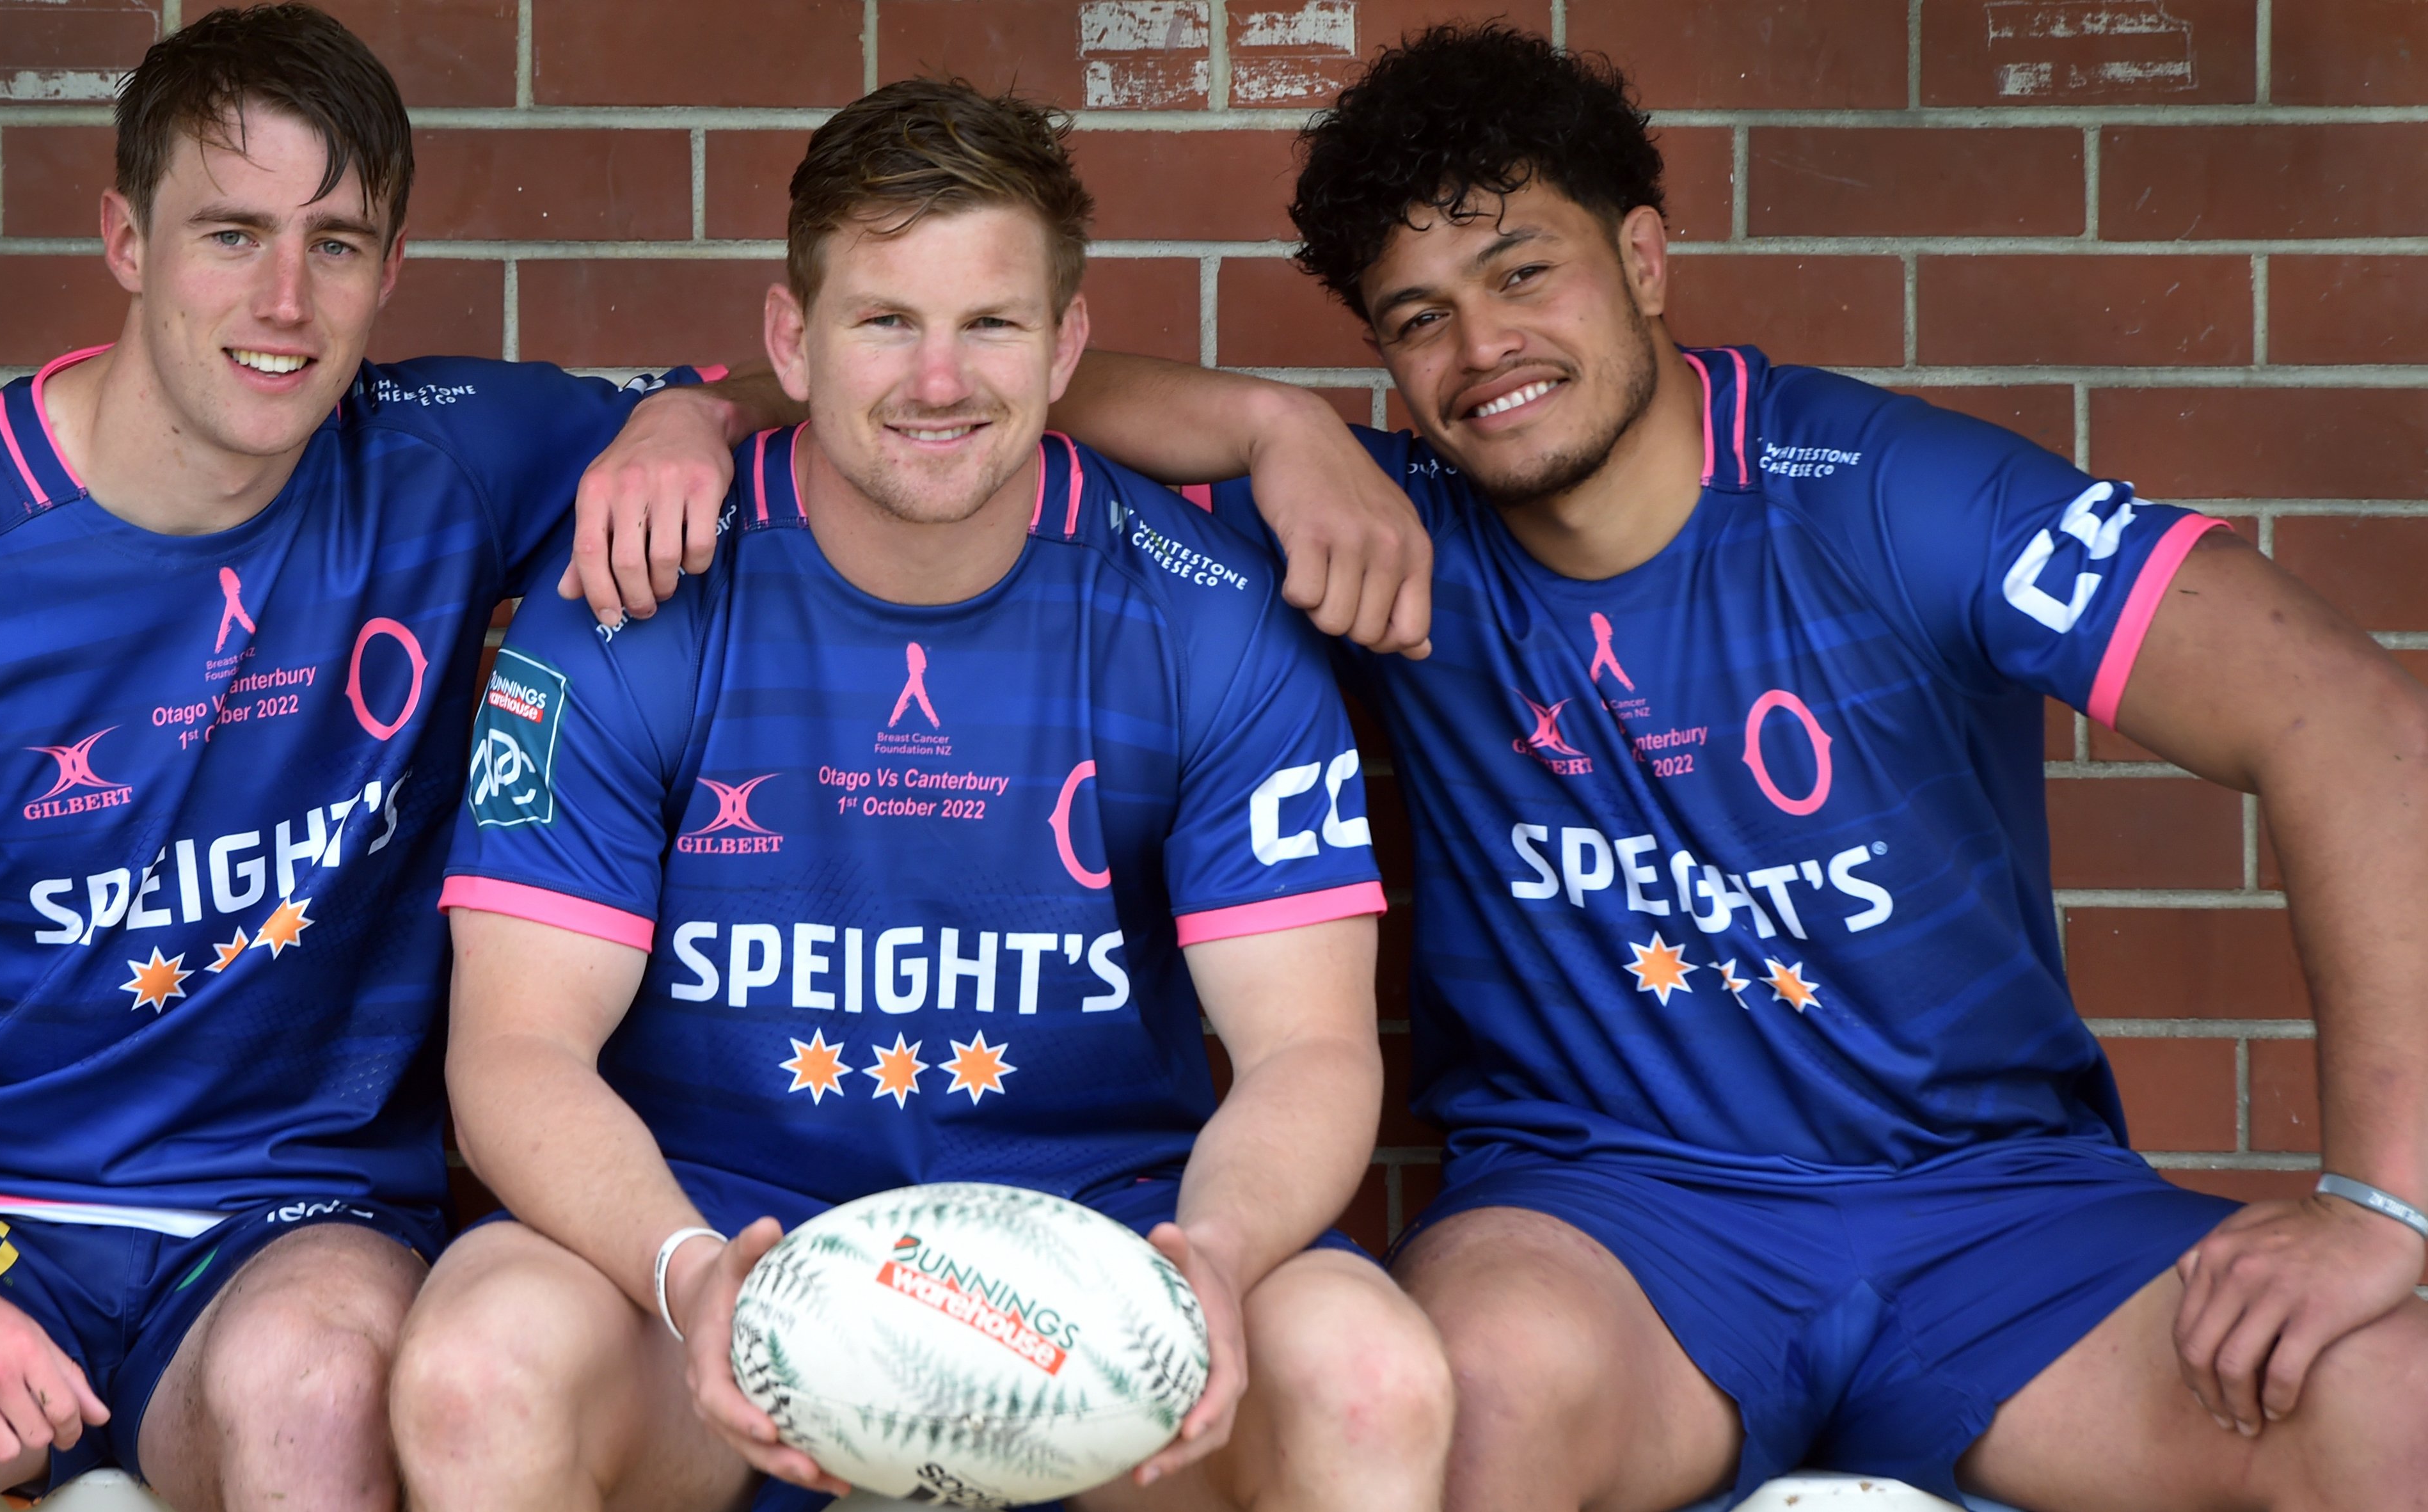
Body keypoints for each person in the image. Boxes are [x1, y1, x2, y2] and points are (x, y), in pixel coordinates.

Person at [1036, 23, 2428, 1512]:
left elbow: (2347, 719)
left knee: (2390, 1401)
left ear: (1641, 257)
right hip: (1615, 1229)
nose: (1481, 350)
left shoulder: (1886, 494)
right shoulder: (1392, 536)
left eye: (1522, 273)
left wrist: (2381, 1204)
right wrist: (1269, 423)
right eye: (1417, 317)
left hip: (1997, 1221)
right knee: (1460, 1410)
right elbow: (985, 386)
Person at [0, 8, 786, 1510]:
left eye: (335, 243)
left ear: (390, 267)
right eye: (231, 231)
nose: (284, 298)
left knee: (316, 1397)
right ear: (126, 237)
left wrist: (684, 418)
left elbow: (840, 378)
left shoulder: (443, 457)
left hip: (293, 1217)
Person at [387, 79, 1452, 1512]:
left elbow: (1312, 1051)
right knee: (476, 1366)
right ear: (792, 340)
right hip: (719, 1254)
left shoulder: (1201, 615)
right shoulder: (639, 596)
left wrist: (1216, 1253)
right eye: (886, 320)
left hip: (1090, 1259)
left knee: (1371, 1371)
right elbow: (513, 1051)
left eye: (991, 324)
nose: (937, 381)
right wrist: (690, 1271)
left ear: (1067, 342)